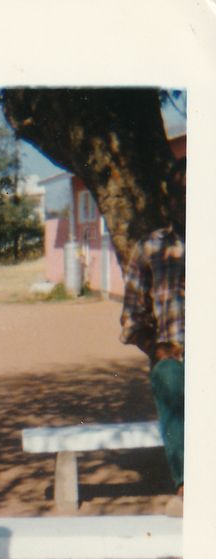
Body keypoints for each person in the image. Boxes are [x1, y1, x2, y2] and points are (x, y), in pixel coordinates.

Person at [120, 157, 186, 512]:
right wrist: (156, 349)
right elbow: (132, 318)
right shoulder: (150, 248)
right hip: (175, 356)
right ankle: (188, 483)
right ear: (170, 200)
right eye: (182, 193)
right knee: (171, 378)